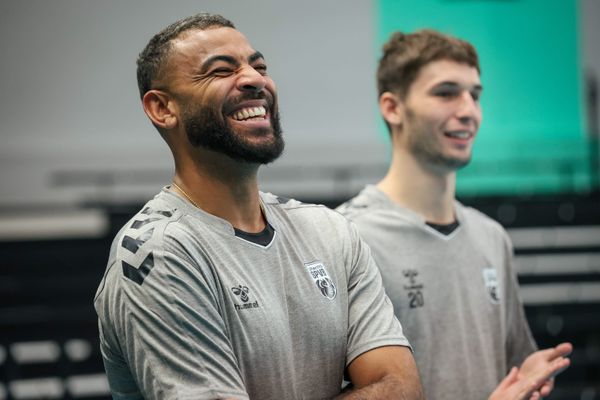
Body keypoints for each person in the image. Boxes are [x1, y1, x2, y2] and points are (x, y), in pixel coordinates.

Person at [93, 13, 424, 400]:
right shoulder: (160, 253)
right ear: (163, 109)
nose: (254, 78)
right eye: (220, 70)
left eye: (259, 65)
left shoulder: (329, 231)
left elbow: (401, 388)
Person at [337, 29, 572, 399]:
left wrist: (527, 378)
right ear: (393, 107)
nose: (468, 111)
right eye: (446, 93)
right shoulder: (347, 237)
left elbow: (510, 367)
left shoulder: (491, 237)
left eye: (475, 95)